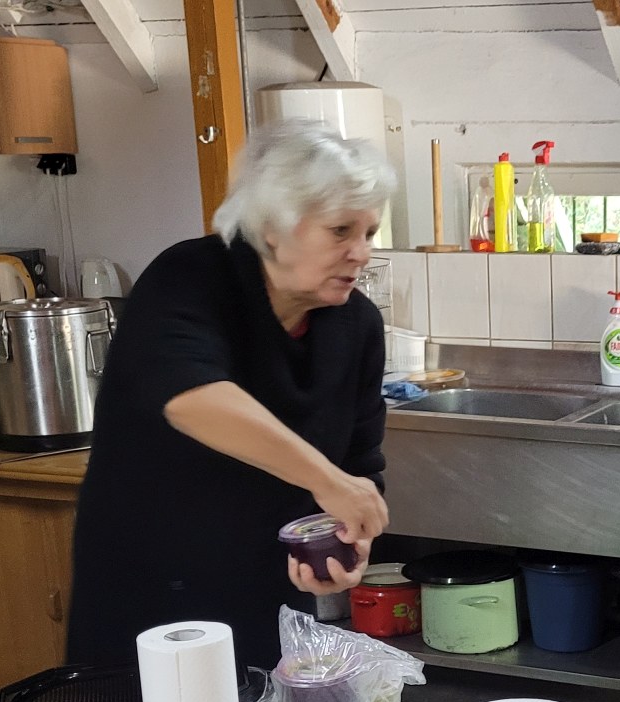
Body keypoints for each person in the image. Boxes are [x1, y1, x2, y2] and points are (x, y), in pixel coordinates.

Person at [67, 121, 395, 670]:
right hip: (151, 585)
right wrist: (328, 482)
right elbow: (192, 398)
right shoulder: (191, 277)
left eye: (369, 233)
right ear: (273, 227)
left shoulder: (356, 325)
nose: (360, 253)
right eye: (341, 231)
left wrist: (348, 541)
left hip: (266, 590)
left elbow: (360, 464)